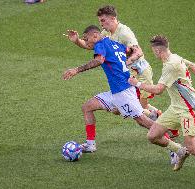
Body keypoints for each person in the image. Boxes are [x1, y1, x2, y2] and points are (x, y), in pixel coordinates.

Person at [63, 5, 179, 154]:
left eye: (103, 20)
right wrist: (77, 40)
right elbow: (92, 44)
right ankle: (90, 144)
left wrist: (125, 63)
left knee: (142, 117)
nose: (101, 24)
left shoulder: (124, 33)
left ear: (113, 18)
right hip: (122, 82)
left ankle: (173, 145)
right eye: (100, 22)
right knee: (90, 107)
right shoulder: (105, 35)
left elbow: (137, 51)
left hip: (139, 74)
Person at [128, 35, 195, 186]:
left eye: (153, 51)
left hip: (187, 111)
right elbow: (193, 65)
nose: (153, 53)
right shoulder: (174, 57)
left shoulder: (171, 65)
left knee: (193, 146)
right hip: (175, 108)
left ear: (158, 50)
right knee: (153, 135)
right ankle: (180, 151)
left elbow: (158, 90)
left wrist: (137, 84)